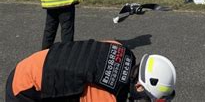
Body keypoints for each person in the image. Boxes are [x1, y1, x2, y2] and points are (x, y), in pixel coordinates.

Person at [5, 39, 176, 101]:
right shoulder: (106, 96)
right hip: (23, 88)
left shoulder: (121, 49)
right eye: (147, 99)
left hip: (34, 63)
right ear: (139, 86)